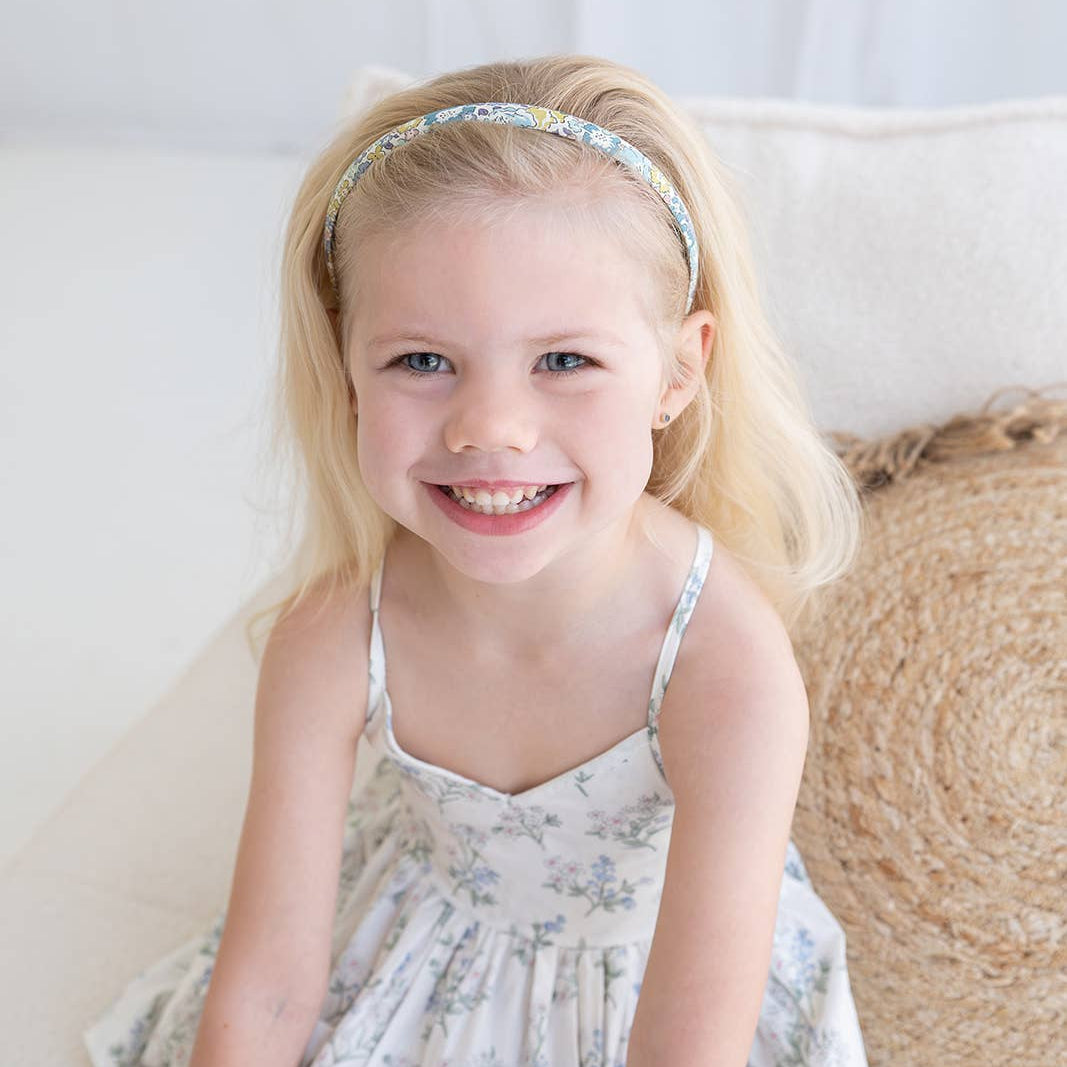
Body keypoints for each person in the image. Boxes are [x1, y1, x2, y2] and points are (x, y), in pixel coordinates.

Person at [84, 54, 870, 1067]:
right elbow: (271, 986)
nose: (488, 427)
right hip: (420, 940)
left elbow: (689, 1043)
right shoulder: (335, 634)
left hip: (659, 998)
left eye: (562, 360)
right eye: (420, 360)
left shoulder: (724, 666)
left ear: (676, 374)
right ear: (347, 368)